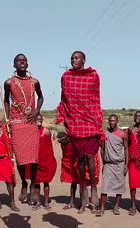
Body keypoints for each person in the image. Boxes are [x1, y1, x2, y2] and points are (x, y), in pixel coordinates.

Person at [57, 51, 104, 214]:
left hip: (90, 122)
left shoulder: (93, 76)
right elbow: (64, 99)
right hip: (75, 124)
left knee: (90, 158)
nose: (73, 60)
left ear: (84, 60)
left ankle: (93, 191)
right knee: (80, 161)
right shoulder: (66, 77)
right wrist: (63, 118)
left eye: (76, 58)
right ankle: (83, 196)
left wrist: (97, 119)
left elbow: (96, 98)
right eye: (72, 58)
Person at [4, 53, 44, 204]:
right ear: (14, 65)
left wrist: (37, 111)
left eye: (24, 60)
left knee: (33, 157)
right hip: (16, 123)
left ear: (27, 64)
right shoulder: (9, 82)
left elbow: (41, 97)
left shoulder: (35, 82)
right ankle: (24, 183)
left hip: (30, 121)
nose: (22, 62)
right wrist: (8, 119)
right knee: (20, 158)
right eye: (19, 61)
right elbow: (6, 100)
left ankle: (33, 184)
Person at [57, 132, 101, 210]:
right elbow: (65, 154)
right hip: (71, 163)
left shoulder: (75, 140)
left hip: (82, 162)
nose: (62, 142)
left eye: (62, 140)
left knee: (84, 182)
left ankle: (86, 202)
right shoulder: (64, 143)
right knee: (73, 182)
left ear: (67, 137)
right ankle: (73, 202)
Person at [97, 114, 128, 216]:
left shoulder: (122, 134)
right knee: (105, 187)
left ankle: (116, 207)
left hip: (119, 164)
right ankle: (102, 208)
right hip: (108, 164)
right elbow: (102, 149)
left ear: (117, 121)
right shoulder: (105, 134)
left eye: (113, 121)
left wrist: (126, 165)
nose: (111, 122)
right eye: (110, 121)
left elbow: (126, 149)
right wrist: (103, 162)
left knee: (119, 187)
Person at [25, 114, 56, 210]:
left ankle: (46, 202)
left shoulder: (46, 132)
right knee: (37, 182)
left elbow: (49, 148)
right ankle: (38, 202)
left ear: (42, 120)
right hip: (35, 161)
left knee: (46, 182)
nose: (39, 120)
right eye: (37, 119)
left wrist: (50, 161)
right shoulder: (30, 132)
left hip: (45, 161)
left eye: (40, 119)